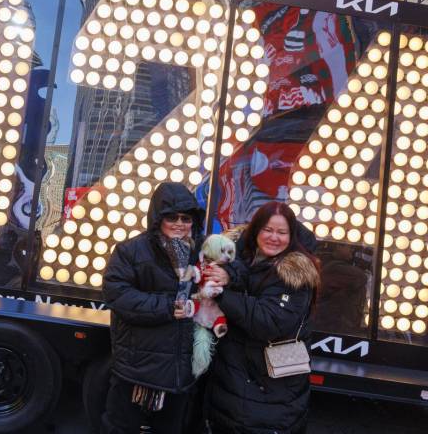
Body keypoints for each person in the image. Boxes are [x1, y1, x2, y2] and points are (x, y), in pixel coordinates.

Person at [203, 201, 320, 434]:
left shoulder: (295, 274)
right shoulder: (245, 259)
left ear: (292, 236)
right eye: (267, 230)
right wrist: (226, 274)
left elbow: (268, 321)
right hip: (235, 380)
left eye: (281, 232)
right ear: (255, 231)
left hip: (270, 388)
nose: (273, 237)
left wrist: (223, 294)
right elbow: (243, 271)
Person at [102, 182, 205, 434]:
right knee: (121, 427)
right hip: (140, 368)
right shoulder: (130, 250)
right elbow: (118, 294)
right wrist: (169, 307)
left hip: (180, 371)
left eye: (186, 217)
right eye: (172, 217)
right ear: (158, 218)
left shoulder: (201, 253)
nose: (180, 223)